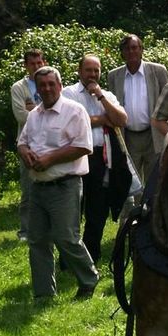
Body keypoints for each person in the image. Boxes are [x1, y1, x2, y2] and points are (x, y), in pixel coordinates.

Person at [17, 67, 99, 300]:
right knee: (37, 241)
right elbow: (22, 142)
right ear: (37, 89)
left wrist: (50, 159)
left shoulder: (75, 111)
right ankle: (43, 294)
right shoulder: (34, 115)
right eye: (42, 85)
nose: (47, 89)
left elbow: (83, 146)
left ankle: (89, 279)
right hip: (38, 186)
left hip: (65, 185)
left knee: (66, 238)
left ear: (60, 86)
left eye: (51, 84)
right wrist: (25, 153)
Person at [63, 54, 127, 263]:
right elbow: (72, 122)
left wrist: (100, 96)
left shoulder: (107, 95)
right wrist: (103, 119)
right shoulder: (69, 93)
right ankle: (68, 257)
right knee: (73, 209)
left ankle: (92, 254)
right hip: (76, 156)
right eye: (88, 70)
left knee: (97, 210)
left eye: (96, 70)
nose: (92, 74)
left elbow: (121, 119)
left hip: (101, 158)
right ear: (79, 71)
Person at [107, 34, 168, 183]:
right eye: (127, 49)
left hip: (153, 136)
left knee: (155, 181)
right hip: (128, 136)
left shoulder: (158, 71)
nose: (131, 51)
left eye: (134, 48)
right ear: (122, 52)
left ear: (141, 50)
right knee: (132, 182)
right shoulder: (114, 76)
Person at [11, 49, 46, 241]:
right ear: (26, 65)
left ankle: (46, 226)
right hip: (27, 143)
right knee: (28, 188)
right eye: (32, 63)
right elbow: (20, 116)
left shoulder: (51, 81)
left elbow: (59, 109)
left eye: (39, 62)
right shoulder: (19, 87)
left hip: (50, 141)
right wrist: (44, 111)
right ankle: (25, 230)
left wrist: (33, 109)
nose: (36, 66)